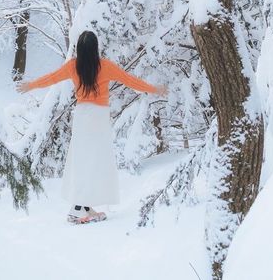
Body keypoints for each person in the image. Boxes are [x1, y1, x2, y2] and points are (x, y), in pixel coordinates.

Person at [17, 30, 167, 224]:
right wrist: (154, 89)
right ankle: (78, 208)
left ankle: (84, 206)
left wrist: (31, 85)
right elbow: (131, 81)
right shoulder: (104, 66)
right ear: (95, 48)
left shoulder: (73, 66)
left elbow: (52, 78)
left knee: (82, 160)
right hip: (99, 117)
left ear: (79, 49)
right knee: (95, 160)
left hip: (82, 116)